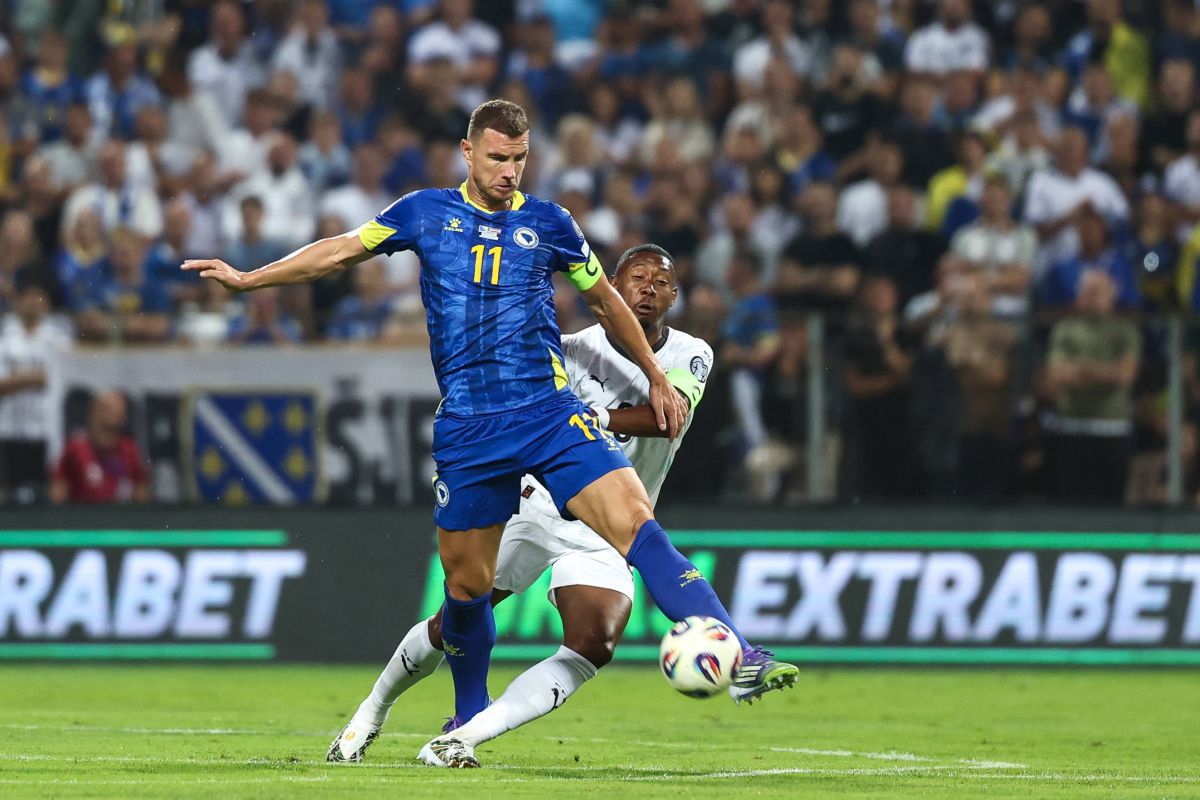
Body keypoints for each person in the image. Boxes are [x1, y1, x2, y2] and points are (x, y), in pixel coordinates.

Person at [182, 100, 796, 769]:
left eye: (520, 159)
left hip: (547, 412)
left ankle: (740, 654)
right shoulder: (423, 212)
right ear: (468, 152)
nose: (510, 171)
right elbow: (338, 252)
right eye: (499, 158)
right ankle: (453, 718)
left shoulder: (550, 222)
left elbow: (603, 299)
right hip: (469, 429)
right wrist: (251, 278)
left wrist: (653, 374)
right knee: (467, 595)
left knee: (637, 522)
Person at [329, 244, 792, 764]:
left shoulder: (691, 352)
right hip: (537, 508)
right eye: (637, 278)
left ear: (674, 297)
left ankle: (463, 737)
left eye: (661, 282)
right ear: (612, 285)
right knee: (451, 622)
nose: (648, 289)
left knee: (593, 643)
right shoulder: (567, 350)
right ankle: (370, 712)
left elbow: (670, 416)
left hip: (608, 525)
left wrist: (596, 418)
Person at [50, 390, 149, 504]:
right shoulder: (75, 448)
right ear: (95, 412)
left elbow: (141, 490)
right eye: (111, 409)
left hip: (122, 512)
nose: (118, 414)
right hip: (84, 512)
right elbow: (58, 491)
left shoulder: (130, 449)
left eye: (121, 410)